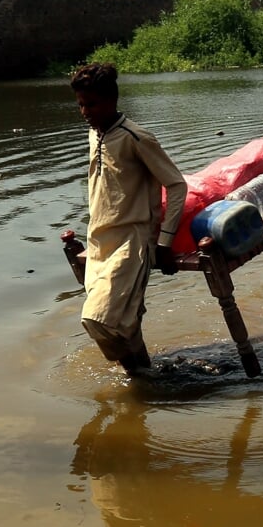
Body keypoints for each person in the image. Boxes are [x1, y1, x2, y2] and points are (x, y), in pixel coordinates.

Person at [70, 62, 186, 373]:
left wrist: (164, 243)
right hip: (99, 242)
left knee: (96, 318)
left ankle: (139, 378)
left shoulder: (136, 138)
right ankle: (144, 377)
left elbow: (176, 185)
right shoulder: (95, 135)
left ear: (112, 100)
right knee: (123, 323)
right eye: (81, 104)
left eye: (91, 104)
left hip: (130, 243)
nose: (85, 112)